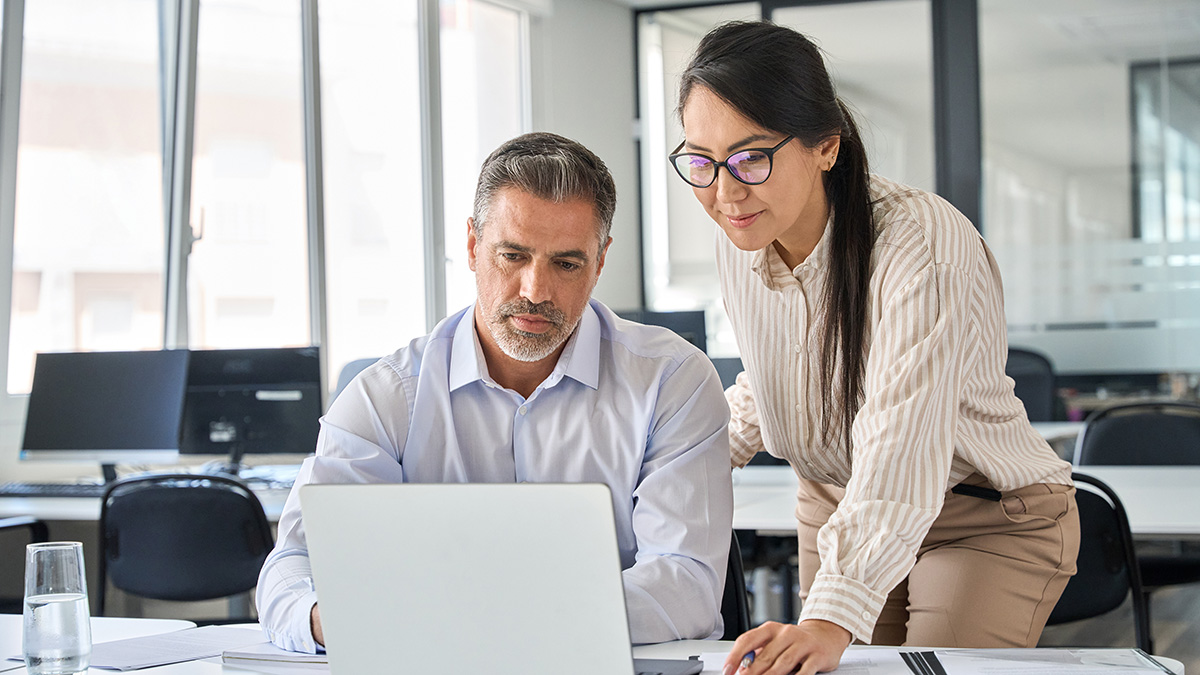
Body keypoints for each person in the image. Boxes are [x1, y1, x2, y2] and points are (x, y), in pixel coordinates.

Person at [666, 21, 1080, 675]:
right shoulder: (741, 233)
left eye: (751, 158)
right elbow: (772, 377)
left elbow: (902, 439)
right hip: (836, 504)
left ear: (825, 145)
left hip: (980, 515)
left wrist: (830, 616)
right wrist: (673, 467)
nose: (723, 191)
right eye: (701, 161)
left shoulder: (918, 240)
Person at [257, 132, 734, 650]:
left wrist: (487, 619)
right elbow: (293, 568)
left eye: (567, 263)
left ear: (599, 263)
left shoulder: (671, 380)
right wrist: (334, 619)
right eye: (512, 255)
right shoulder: (387, 396)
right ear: (471, 246)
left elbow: (686, 583)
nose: (535, 290)